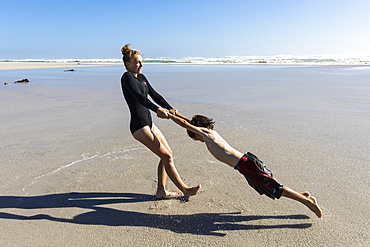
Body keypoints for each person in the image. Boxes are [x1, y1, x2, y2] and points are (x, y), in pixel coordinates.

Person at [168, 112, 322, 218]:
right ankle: (304, 196)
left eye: (195, 138)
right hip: (244, 166)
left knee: (275, 188)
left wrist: (169, 116)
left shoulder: (207, 134)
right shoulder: (208, 135)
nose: (198, 140)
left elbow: (185, 124)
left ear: (197, 132)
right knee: (269, 190)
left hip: (247, 164)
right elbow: (187, 122)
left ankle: (307, 202)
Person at [120, 45, 200, 200]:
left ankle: (161, 192)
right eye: (137, 62)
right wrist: (157, 110)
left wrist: (170, 109)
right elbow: (139, 98)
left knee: (168, 154)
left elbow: (155, 95)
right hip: (139, 127)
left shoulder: (142, 78)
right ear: (127, 64)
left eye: (141, 62)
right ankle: (185, 189)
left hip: (149, 124)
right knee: (166, 157)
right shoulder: (126, 77)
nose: (141, 65)